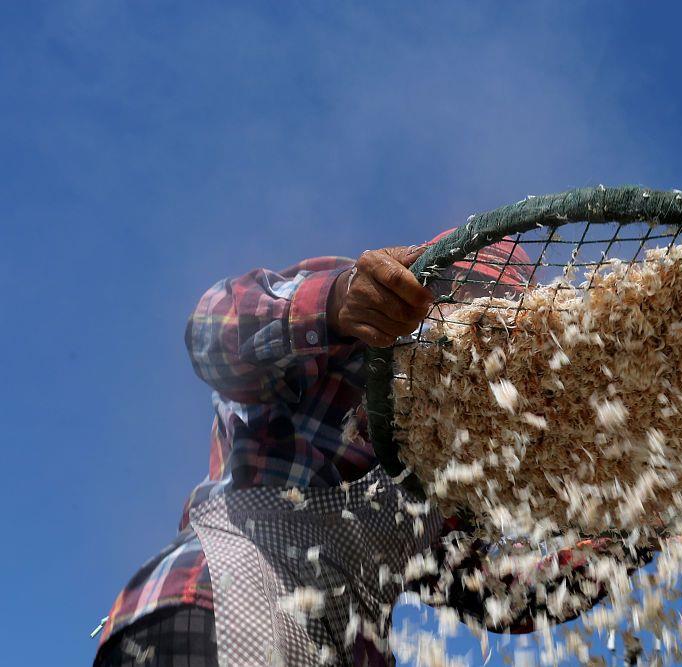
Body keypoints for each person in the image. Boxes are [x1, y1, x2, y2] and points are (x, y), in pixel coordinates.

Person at [94, 231, 650, 666]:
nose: (467, 337)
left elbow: (501, 598)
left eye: (498, 326)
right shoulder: (347, 329)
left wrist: (640, 536)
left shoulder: (448, 475)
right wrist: (336, 303)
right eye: (459, 305)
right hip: (216, 609)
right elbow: (213, 332)